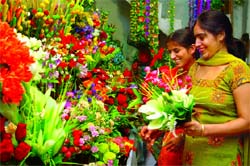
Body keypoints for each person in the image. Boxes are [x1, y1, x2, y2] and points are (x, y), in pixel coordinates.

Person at [183, 10, 250, 166]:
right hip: (193, 154)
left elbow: (247, 121)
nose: (197, 44)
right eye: (195, 38)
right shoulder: (196, 68)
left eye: (202, 37)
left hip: (223, 157)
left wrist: (204, 130)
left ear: (220, 35)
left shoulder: (237, 69)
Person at [140, 27, 198, 166]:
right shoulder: (170, 76)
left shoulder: (201, 76)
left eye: (177, 51)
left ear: (192, 49)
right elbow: (167, 113)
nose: (172, 56)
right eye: (170, 52)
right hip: (171, 141)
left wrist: (184, 137)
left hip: (195, 142)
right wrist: (153, 128)